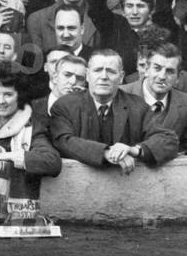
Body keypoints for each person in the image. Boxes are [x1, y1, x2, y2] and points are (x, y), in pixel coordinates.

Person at [50, 50, 178, 170]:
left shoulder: (137, 106)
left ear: (121, 76)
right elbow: (62, 141)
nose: (104, 76)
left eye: (111, 71)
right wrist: (106, 152)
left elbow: (168, 140)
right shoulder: (65, 106)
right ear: (88, 75)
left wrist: (134, 150)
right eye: (98, 70)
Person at [0, 64, 62, 198]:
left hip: (11, 206)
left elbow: (52, 161)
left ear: (20, 96)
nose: (0, 101)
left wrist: (5, 156)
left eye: (8, 94)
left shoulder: (31, 126)